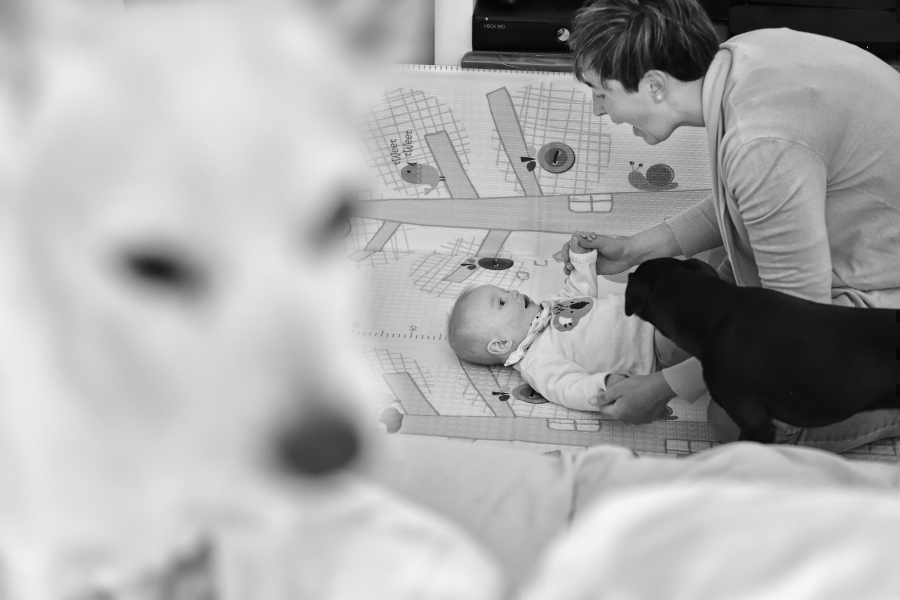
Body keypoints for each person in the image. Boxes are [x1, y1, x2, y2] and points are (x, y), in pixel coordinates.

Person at [560, 0, 900, 452]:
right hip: (858, 235)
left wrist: (664, 387)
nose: (599, 111)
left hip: (876, 298)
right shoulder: (740, 57)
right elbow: (747, 201)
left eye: (601, 93)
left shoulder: (760, 141)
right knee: (679, 331)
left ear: (655, 86)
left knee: (735, 420)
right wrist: (635, 249)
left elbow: (795, 325)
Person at [447, 234, 690, 411]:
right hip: (653, 346)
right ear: (501, 344)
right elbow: (571, 388)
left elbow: (579, 293)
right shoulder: (538, 362)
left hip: (652, 305)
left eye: (505, 290)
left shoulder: (549, 307)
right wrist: (605, 386)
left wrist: (581, 260)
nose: (513, 292)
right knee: (694, 329)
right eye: (501, 302)